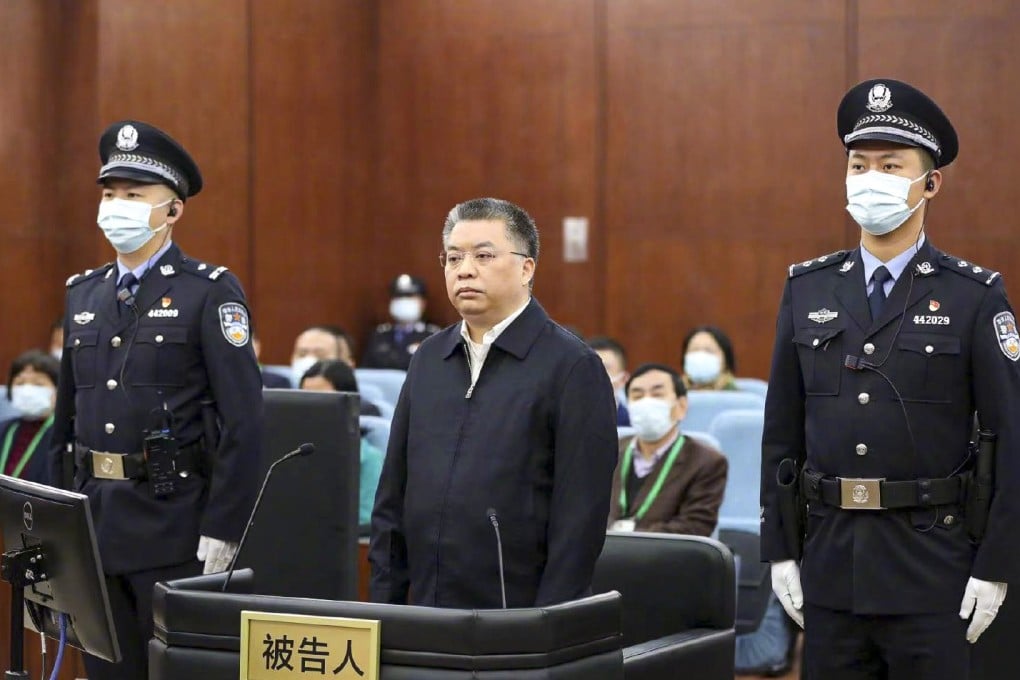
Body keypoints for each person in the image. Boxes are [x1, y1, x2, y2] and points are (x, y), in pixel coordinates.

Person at [761, 79, 1017, 679]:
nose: (868, 178)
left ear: (929, 185)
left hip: (935, 568)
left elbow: (1012, 439)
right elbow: (782, 434)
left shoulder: (973, 295)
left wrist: (997, 564)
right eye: (858, 164)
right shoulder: (808, 289)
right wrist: (779, 550)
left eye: (890, 164)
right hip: (830, 564)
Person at [50, 120, 263, 679]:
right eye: (109, 194)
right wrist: (54, 522)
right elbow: (64, 419)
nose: (115, 207)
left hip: (175, 527)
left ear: (172, 210)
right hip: (94, 526)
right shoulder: (83, 293)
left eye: (134, 196)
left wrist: (224, 527)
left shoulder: (209, 291)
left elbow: (244, 421)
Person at [370, 197, 618, 608]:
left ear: (527, 267)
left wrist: (547, 626)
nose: (464, 269)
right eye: (453, 258)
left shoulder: (572, 366)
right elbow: (393, 497)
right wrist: (384, 607)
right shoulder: (429, 359)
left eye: (483, 255)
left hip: (516, 616)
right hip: (422, 613)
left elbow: (580, 521)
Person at [607, 363, 727, 536]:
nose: (646, 402)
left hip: (667, 559)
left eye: (657, 394)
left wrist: (633, 534)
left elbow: (696, 527)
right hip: (605, 557)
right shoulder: (608, 451)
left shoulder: (706, 461)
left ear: (681, 406)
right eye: (637, 395)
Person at [299, 359, 384, 525]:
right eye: (304, 398)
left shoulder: (369, 459)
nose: (312, 408)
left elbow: (366, 520)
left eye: (322, 400)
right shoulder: (291, 453)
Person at [1, 350, 59, 484]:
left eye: (38, 384)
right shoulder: (5, 428)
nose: (27, 391)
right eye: (20, 383)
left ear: (57, 390)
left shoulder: (63, 433)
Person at [361, 274, 441, 369]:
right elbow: (367, 370)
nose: (404, 301)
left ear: (423, 303)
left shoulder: (433, 336)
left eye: (410, 296)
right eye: (399, 297)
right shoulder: (379, 335)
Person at [290, 324, 356, 385]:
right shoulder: (282, 384)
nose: (308, 360)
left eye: (320, 356)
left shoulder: (361, 396)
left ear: (348, 366)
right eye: (302, 354)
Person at [588, 335, 631, 426]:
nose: (595, 375)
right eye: (589, 368)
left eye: (604, 368)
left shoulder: (632, 425)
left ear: (623, 379)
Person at [681, 325, 738, 390]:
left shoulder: (737, 396)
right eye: (694, 350)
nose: (700, 356)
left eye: (709, 351)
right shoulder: (674, 394)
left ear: (726, 360)